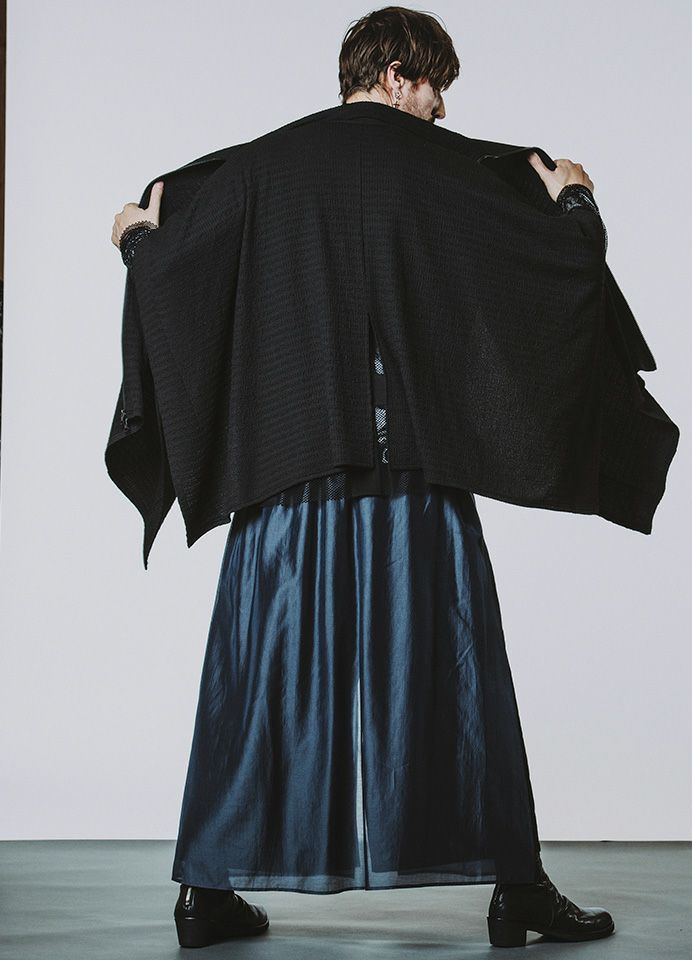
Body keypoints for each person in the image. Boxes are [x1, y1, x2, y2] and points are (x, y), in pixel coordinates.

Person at [110, 7, 621, 950]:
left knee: (255, 676)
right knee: (461, 674)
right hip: (412, 473)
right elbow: (555, 270)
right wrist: (576, 200)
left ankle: (204, 895)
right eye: (435, 86)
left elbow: (169, 272)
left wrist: (138, 239)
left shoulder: (259, 168)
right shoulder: (443, 168)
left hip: (286, 474)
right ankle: (517, 889)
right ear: (393, 75)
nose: (441, 109)